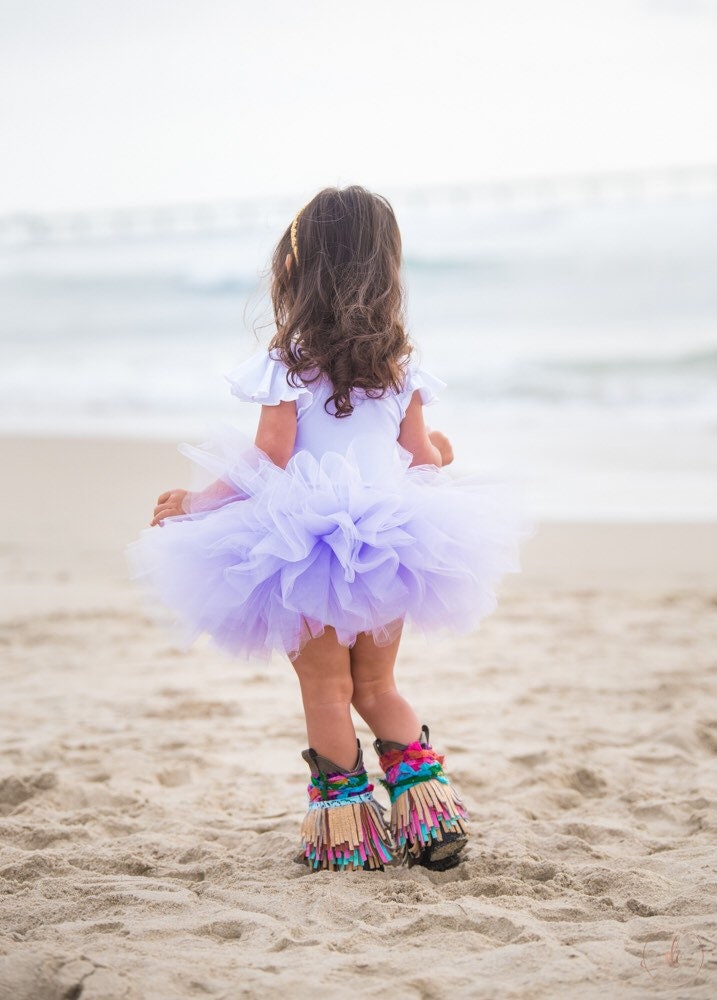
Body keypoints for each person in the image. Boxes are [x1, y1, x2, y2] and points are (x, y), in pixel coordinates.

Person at [127, 186, 529, 873]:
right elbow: (419, 460)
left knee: (326, 691)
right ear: (385, 268)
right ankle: (428, 819)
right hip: (390, 547)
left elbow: (270, 458)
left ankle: (348, 836)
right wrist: (443, 451)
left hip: (302, 551)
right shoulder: (397, 364)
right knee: (377, 688)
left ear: (298, 267)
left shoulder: (288, 363)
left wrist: (198, 502)